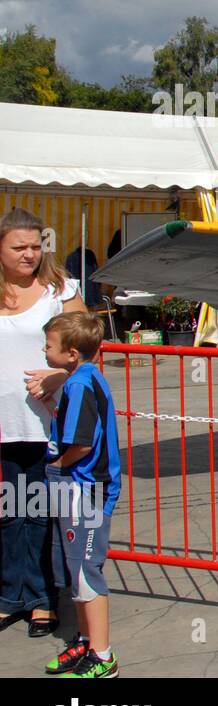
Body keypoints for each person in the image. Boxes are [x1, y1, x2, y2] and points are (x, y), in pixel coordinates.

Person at [0, 208, 87, 638]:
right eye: (19, 247)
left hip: (46, 425)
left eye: (36, 246)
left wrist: (59, 374)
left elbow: (87, 348)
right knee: (7, 513)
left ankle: (42, 600)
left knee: (39, 514)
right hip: (3, 424)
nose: (29, 254)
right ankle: (9, 594)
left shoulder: (59, 290)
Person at [40, 312, 122, 677]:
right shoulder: (86, 378)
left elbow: (83, 445)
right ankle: (85, 643)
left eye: (48, 346)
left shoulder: (79, 385)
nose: (44, 352)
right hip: (80, 488)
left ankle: (103, 657)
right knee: (75, 570)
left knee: (86, 572)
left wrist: (58, 464)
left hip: (86, 489)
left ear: (71, 352)